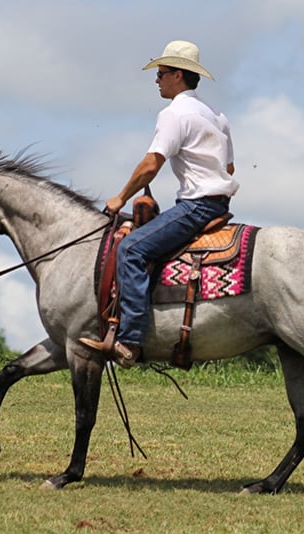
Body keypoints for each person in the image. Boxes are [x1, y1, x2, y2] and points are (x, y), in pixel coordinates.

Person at [80, 40, 239, 367]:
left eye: (162, 73)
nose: (157, 79)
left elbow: (151, 164)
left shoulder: (174, 114)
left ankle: (130, 339)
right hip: (219, 205)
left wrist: (120, 198)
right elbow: (230, 168)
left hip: (196, 206)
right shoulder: (217, 116)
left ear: (178, 75)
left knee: (131, 249)